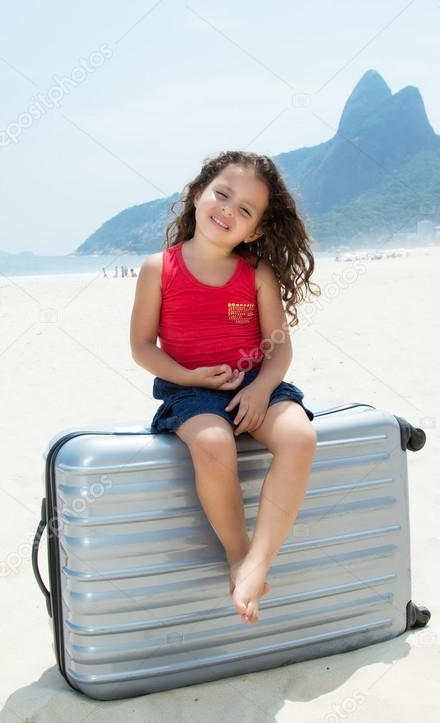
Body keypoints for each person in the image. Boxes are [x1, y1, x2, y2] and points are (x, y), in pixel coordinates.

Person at [130, 151, 320, 625]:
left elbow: (279, 348)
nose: (228, 211)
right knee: (214, 443)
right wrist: (190, 377)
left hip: (258, 384)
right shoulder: (160, 268)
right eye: (223, 195)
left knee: (300, 437)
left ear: (254, 230)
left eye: (246, 210)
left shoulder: (256, 273)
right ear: (197, 195)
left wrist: (259, 392)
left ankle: (259, 561)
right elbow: (141, 346)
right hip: (190, 391)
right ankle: (238, 555)